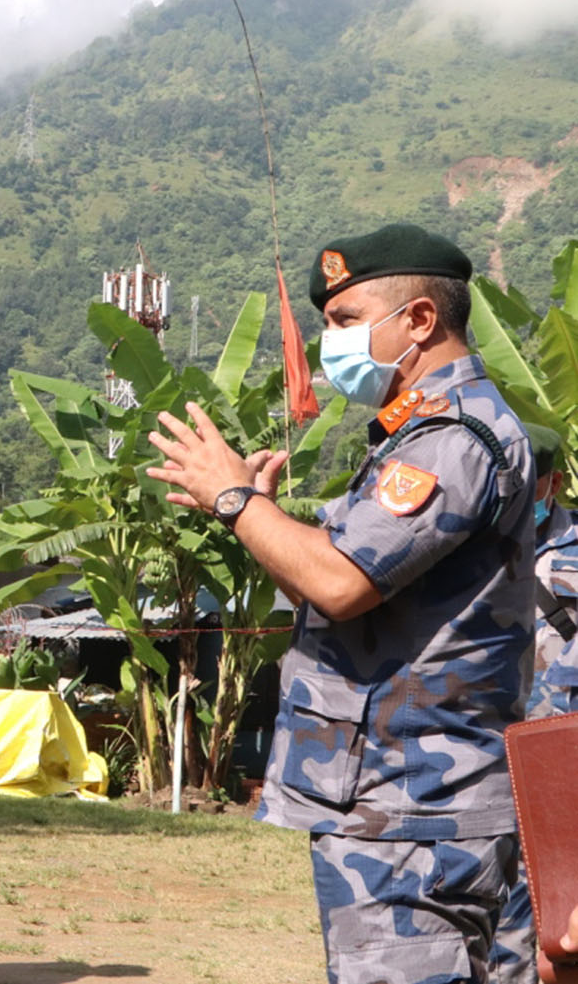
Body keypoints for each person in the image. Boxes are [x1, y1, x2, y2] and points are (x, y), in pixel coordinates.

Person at [148, 223, 534, 984]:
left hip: (417, 809)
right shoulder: (414, 434)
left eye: (347, 320)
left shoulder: (452, 437)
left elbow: (338, 580)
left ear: (420, 320)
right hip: (399, 806)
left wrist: (230, 497)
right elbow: (329, 591)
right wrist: (259, 515)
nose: (332, 343)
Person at [491, 423, 576, 984]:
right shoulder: (475, 546)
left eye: (533, 483)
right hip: (486, 760)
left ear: (555, 483)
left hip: (558, 769)